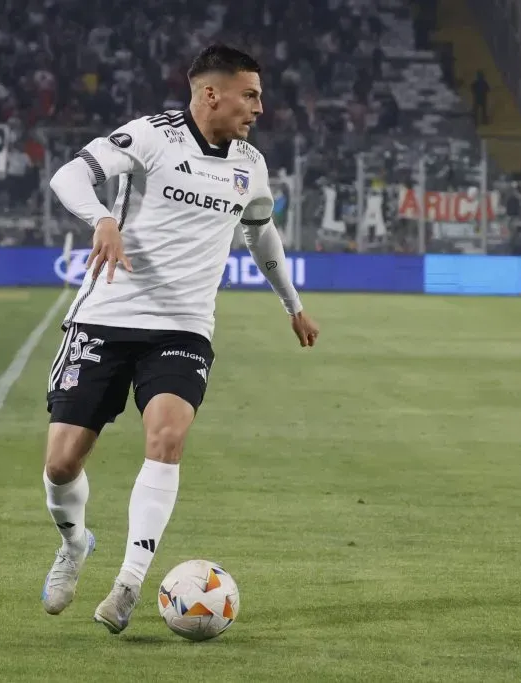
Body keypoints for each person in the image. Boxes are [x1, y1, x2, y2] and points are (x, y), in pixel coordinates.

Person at [41, 44, 320, 633]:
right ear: (210, 93)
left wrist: (292, 304)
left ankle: (129, 584)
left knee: (166, 438)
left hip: (183, 327)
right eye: (250, 94)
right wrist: (104, 219)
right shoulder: (149, 136)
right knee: (62, 465)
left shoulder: (250, 164)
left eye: (260, 95)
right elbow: (68, 175)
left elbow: (261, 235)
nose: (260, 108)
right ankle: (74, 542)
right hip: (106, 317)